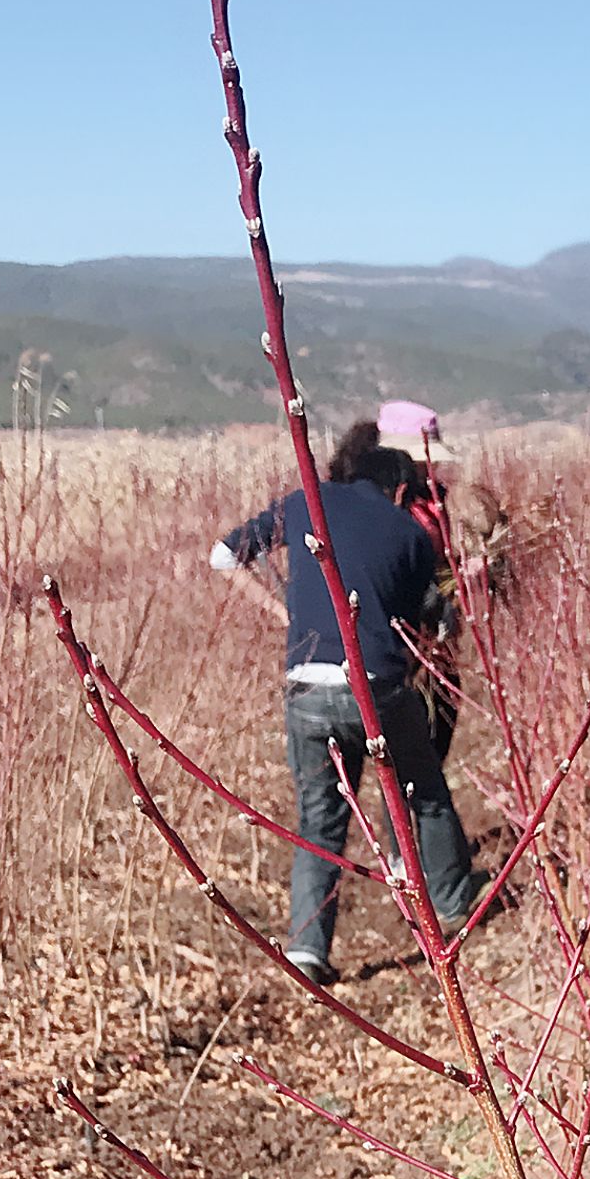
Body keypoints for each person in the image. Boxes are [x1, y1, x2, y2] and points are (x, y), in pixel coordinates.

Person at [210, 417, 479, 979]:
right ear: (402, 488)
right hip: (375, 687)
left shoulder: (309, 500)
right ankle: (454, 902)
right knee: (424, 788)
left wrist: (281, 612)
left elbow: (223, 555)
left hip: (305, 683)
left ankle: (308, 951)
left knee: (320, 820)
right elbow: (425, 621)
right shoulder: (409, 533)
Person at [377, 400, 462, 767]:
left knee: (436, 735)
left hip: (439, 643)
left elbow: (440, 561)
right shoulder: (379, 507)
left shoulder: (434, 501)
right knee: (404, 755)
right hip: (402, 644)